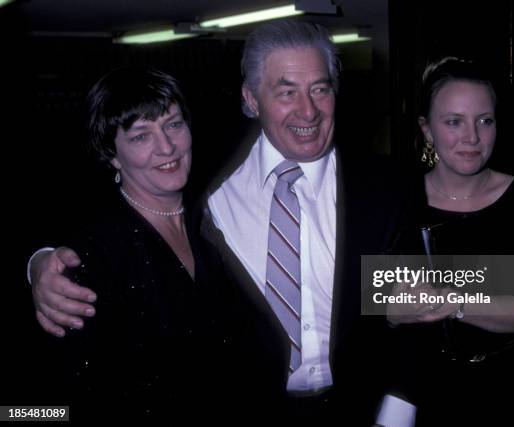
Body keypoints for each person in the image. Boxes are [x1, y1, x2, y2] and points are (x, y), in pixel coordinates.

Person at [28, 21, 417, 426]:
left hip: (361, 410)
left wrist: (398, 411)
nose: (308, 110)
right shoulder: (210, 174)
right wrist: (39, 262)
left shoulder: (384, 188)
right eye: (286, 92)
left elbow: (419, 300)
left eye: (320, 88)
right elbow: (69, 202)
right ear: (251, 98)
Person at [30, 67, 281, 423]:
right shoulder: (92, 256)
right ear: (112, 154)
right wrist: (36, 263)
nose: (166, 147)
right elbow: (63, 400)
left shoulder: (214, 213)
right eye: (140, 136)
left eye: (173, 124)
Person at [387, 57, 514, 426]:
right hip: (423, 401)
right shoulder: (395, 204)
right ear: (427, 129)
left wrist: (451, 302)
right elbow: (367, 299)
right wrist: (390, 310)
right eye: (454, 122)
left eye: (485, 121)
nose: (472, 137)